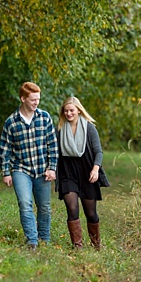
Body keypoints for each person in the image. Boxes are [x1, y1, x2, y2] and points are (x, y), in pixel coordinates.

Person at [0, 81, 59, 250]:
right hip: (20, 170)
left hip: (42, 169)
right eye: (33, 99)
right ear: (23, 98)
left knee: (44, 206)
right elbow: (5, 149)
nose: (36, 102)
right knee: (25, 204)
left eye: (38, 99)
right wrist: (6, 172)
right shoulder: (11, 122)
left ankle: (44, 239)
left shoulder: (44, 118)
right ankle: (32, 241)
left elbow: (52, 145)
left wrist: (52, 167)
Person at [54, 96, 110, 249]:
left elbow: (98, 151)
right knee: (72, 208)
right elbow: (54, 152)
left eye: (71, 110)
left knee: (90, 213)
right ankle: (77, 246)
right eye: (65, 111)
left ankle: (96, 244)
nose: (68, 114)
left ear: (78, 110)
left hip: (87, 172)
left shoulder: (89, 128)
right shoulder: (59, 128)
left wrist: (96, 169)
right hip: (67, 172)